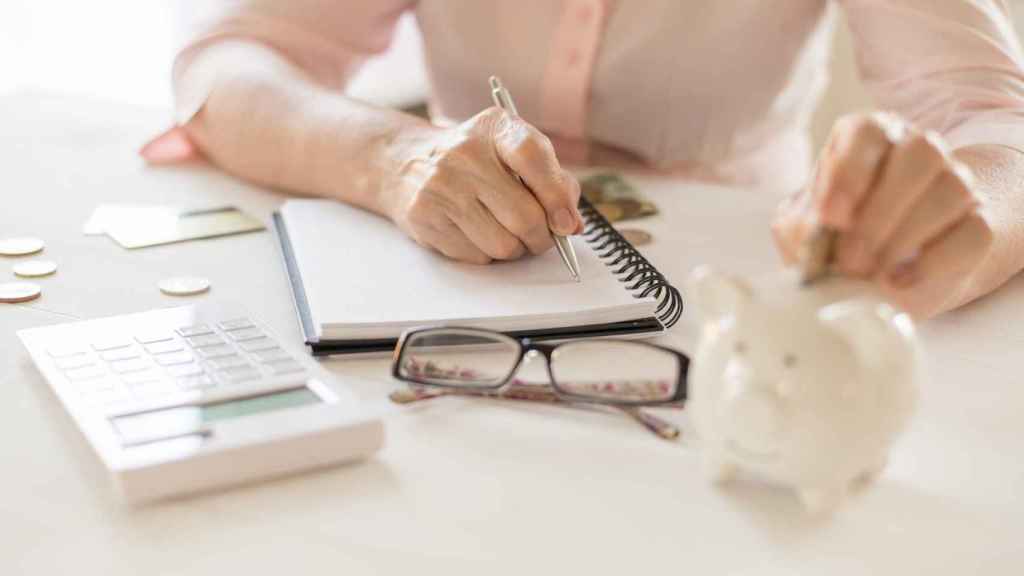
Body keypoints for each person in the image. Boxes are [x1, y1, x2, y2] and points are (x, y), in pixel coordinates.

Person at [144, 1, 1024, 319]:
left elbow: (998, 121)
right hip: (452, 292)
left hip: (741, 297)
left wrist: (958, 217)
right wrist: (393, 158)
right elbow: (234, 59)